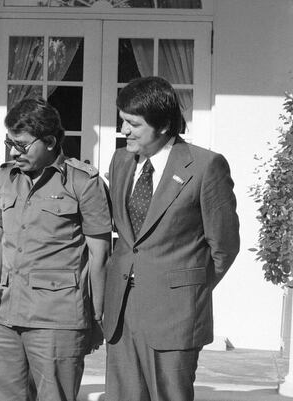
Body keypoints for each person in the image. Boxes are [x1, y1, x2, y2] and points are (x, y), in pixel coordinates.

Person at [102, 76, 240, 401]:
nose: (124, 130)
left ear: (163, 125)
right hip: (122, 309)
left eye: (133, 123)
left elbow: (224, 246)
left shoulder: (205, 166)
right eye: (122, 120)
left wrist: (188, 289)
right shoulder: (121, 161)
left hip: (175, 315)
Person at [0, 97, 112, 401]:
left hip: (57, 319)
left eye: (22, 145)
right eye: (9, 142)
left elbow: (100, 255)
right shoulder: (5, 178)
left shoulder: (84, 183)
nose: (13, 152)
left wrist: (97, 316)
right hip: (6, 314)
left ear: (51, 141)